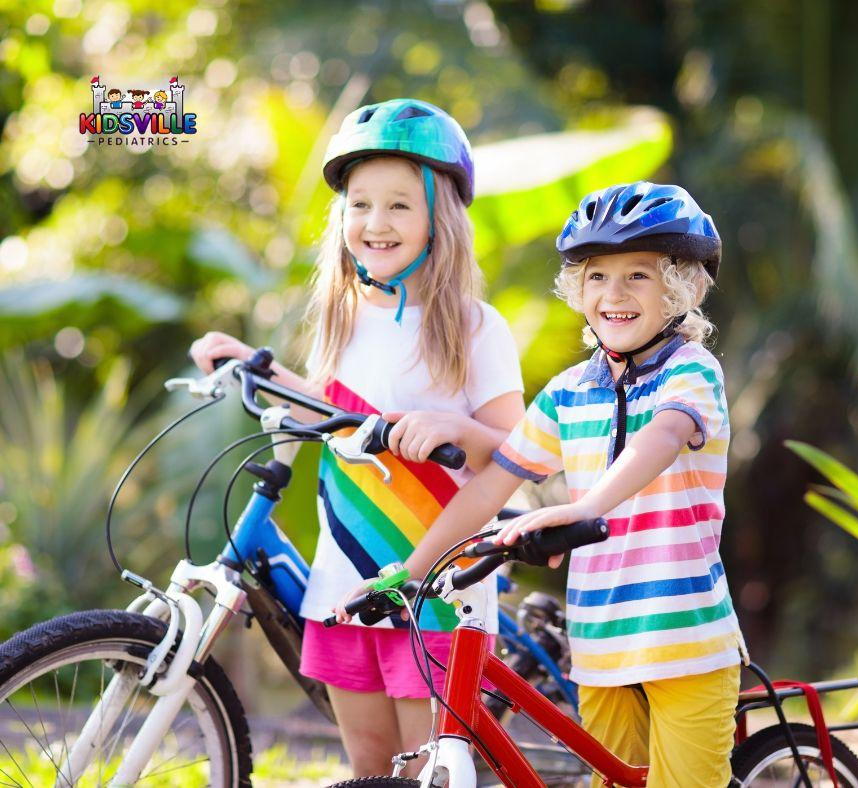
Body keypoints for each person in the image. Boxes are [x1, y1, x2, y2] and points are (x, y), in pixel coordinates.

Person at [190, 98, 524, 778]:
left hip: (434, 585)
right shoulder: (342, 319)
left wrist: (457, 428)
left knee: (422, 769)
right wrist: (254, 364)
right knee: (370, 767)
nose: (376, 222)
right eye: (361, 203)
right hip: (344, 584)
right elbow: (329, 411)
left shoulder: (474, 325)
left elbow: (518, 448)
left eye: (400, 205)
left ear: (442, 217)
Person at [389, 181, 748, 788]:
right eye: (597, 276)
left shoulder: (693, 371)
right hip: (600, 645)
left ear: (682, 288)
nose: (614, 294)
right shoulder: (567, 392)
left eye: (639, 275)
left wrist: (582, 507)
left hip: (686, 639)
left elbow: (660, 439)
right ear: (577, 289)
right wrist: (410, 572)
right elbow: (490, 485)